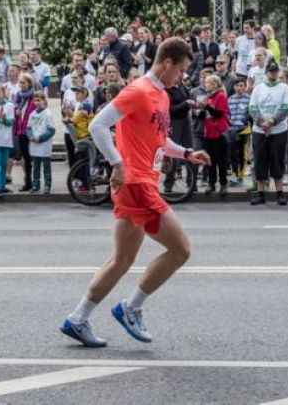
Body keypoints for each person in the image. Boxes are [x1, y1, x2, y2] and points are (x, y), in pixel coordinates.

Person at [60, 38, 210, 348]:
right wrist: (117, 163)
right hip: (137, 184)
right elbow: (100, 125)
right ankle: (131, 308)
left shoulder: (162, 96)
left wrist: (187, 153)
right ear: (167, 63)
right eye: (181, 70)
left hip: (141, 183)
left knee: (122, 259)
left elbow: (160, 140)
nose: (182, 77)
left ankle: (77, 319)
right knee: (181, 250)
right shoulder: (139, 91)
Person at [248, 61, 288, 206]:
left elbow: (286, 108)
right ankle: (260, 193)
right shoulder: (258, 88)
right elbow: (253, 108)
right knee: (260, 161)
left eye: (275, 71)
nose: (272, 74)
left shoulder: (284, 88)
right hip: (260, 130)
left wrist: (272, 121)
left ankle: (280, 193)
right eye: (270, 71)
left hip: (278, 130)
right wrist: (262, 123)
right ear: (266, 72)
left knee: (277, 160)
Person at [203, 75, 230, 197]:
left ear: (214, 84)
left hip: (219, 132)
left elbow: (219, 113)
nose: (205, 85)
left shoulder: (221, 96)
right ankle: (211, 183)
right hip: (209, 133)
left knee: (221, 161)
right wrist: (198, 111)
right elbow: (205, 115)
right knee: (210, 161)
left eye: (208, 83)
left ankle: (223, 184)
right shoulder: (207, 98)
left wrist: (206, 106)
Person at [27, 91, 55, 194]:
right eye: (35, 100)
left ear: (44, 101)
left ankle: (47, 184)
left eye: (39, 100)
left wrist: (41, 138)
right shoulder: (32, 114)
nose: (36, 102)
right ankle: (36, 184)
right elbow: (29, 128)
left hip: (44, 144)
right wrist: (31, 136)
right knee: (36, 166)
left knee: (46, 166)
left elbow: (51, 130)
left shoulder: (47, 113)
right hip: (34, 144)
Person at [14, 73, 36, 192]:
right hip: (21, 130)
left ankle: (34, 181)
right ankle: (28, 181)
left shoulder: (34, 96)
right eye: (20, 82)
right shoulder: (18, 96)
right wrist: (15, 109)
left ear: (29, 83)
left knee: (32, 157)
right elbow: (15, 108)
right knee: (25, 157)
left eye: (23, 82)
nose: (21, 85)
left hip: (31, 130)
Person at [227, 78, 250, 187]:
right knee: (232, 154)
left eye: (241, 86)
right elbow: (227, 114)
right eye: (237, 86)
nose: (239, 88)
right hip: (232, 129)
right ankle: (235, 175)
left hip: (244, 129)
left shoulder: (249, 99)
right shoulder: (230, 99)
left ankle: (240, 176)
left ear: (245, 87)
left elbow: (250, 115)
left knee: (242, 154)